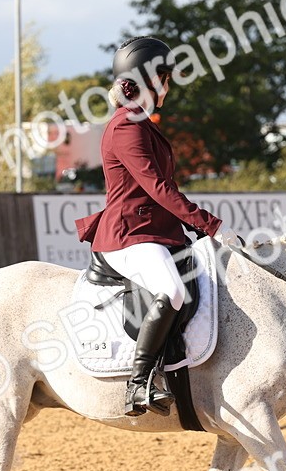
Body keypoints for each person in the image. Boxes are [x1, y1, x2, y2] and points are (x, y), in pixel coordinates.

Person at [75, 36, 241, 416]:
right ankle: (139, 382)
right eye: (165, 78)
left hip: (155, 233)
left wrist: (195, 231)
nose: (169, 87)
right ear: (150, 81)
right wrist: (212, 225)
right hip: (129, 235)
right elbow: (160, 189)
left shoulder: (142, 125)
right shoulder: (126, 128)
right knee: (172, 290)